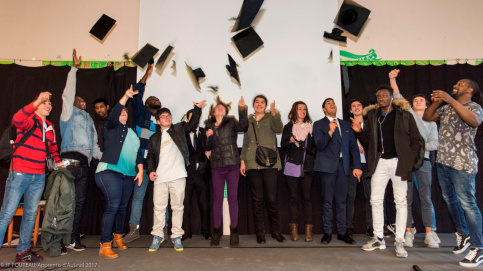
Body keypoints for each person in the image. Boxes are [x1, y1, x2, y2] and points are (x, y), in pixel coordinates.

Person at [352, 85, 424, 258]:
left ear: (392, 97)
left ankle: (399, 241)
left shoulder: (404, 115)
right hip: (380, 163)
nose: (381, 99)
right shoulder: (372, 116)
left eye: (384, 96)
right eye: (378, 97)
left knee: (401, 201)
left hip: (399, 163)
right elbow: (368, 143)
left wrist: (409, 159)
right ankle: (378, 238)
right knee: (375, 200)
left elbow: (417, 140)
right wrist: (360, 132)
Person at [423, 79, 483, 267]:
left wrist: (450, 99)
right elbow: (428, 117)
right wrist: (437, 101)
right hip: (443, 162)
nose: (456, 85)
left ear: (470, 89)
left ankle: (478, 247)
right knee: (450, 200)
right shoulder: (447, 107)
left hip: (463, 163)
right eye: (455, 84)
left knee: (468, 204)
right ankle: (463, 234)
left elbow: (474, 121)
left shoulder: (474, 107)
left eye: (460, 84)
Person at [0, 92, 63, 262]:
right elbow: (17, 119)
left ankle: (23, 251)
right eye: (44, 102)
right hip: (20, 173)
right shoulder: (28, 120)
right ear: (35, 105)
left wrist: (59, 163)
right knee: (7, 213)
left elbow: (53, 150)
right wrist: (36, 101)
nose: (48, 105)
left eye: (49, 102)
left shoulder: (49, 126)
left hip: (38, 176)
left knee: (30, 213)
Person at [389, 69, 440, 248]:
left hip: (424, 162)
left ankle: (429, 233)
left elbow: (435, 143)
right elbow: (397, 95)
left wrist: (420, 146)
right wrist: (392, 79)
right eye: (415, 100)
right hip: (407, 162)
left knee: (426, 198)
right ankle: (408, 232)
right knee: (406, 198)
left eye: (421, 101)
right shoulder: (408, 114)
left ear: (427, 105)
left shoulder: (431, 123)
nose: (418, 102)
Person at [147, 99, 206, 252]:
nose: (167, 118)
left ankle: (176, 236)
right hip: (160, 178)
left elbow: (192, 125)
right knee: (159, 208)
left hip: (178, 175)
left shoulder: (179, 129)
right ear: (158, 121)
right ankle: (158, 236)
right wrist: (150, 171)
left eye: (169, 115)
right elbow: (150, 158)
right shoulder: (154, 138)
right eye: (163, 116)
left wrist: (197, 109)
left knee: (178, 207)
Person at [59, 49, 102, 251]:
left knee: (79, 204)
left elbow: (94, 148)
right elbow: (67, 95)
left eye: (84, 101)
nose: (82, 101)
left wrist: (108, 161)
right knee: (64, 202)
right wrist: (73, 70)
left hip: (84, 166)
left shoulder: (89, 120)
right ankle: (58, 239)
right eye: (79, 99)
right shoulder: (69, 114)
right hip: (68, 161)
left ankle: (73, 238)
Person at [95, 85, 143, 259]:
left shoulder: (133, 133)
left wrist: (141, 170)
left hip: (128, 175)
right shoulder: (112, 126)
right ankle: (105, 244)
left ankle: (118, 237)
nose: (123, 113)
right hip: (109, 171)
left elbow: (138, 154)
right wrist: (125, 96)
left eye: (125, 112)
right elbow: (114, 113)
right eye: (121, 111)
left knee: (122, 207)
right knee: (113, 205)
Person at [313, 98, 362, 245]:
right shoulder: (319, 124)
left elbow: (353, 147)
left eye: (333, 102)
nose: (332, 104)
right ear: (323, 109)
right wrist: (330, 131)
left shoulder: (346, 124)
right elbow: (319, 145)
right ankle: (327, 233)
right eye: (328, 103)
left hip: (344, 167)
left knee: (342, 201)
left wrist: (357, 167)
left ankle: (342, 232)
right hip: (327, 168)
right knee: (327, 201)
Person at [240, 95, 286, 244]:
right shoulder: (248, 120)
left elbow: (279, 129)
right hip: (252, 163)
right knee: (257, 200)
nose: (259, 104)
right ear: (253, 105)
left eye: (262, 102)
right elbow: (246, 142)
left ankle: (276, 231)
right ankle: (260, 233)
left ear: (266, 105)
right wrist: (242, 161)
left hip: (269, 163)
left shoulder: (272, 116)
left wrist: (274, 113)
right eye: (257, 102)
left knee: (272, 199)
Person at [123, 64, 161, 244]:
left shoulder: (163, 119)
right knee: (138, 197)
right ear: (146, 103)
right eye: (152, 97)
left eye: (157, 98)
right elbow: (138, 91)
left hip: (160, 165)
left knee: (161, 198)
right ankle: (134, 229)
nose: (155, 98)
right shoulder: (141, 114)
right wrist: (146, 75)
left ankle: (163, 230)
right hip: (143, 164)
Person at [203, 96, 248, 247]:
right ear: (213, 112)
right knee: (217, 200)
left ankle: (234, 233)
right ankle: (216, 232)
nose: (220, 108)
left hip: (232, 166)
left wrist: (242, 110)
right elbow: (206, 148)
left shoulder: (231, 122)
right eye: (217, 108)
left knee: (233, 199)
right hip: (216, 167)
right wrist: (208, 138)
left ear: (226, 111)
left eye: (222, 107)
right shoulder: (208, 125)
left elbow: (244, 127)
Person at [281, 101, 316, 242]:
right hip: (292, 167)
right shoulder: (288, 127)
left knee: (307, 199)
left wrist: (302, 146)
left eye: (304, 109)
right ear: (294, 111)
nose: (302, 111)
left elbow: (314, 150)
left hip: (307, 168)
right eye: (299, 109)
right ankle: (293, 230)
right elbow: (283, 146)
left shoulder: (311, 128)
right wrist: (290, 141)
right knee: (293, 198)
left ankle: (308, 231)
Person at [181, 108, 211, 241]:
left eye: (197, 119)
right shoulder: (182, 134)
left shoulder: (206, 132)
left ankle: (206, 231)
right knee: (185, 205)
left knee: (204, 205)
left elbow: (212, 148)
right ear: (188, 120)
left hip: (202, 174)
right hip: (186, 175)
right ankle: (186, 232)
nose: (195, 121)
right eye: (192, 119)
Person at [346, 99, 373, 238]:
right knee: (350, 197)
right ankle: (349, 227)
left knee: (371, 197)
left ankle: (371, 227)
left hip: (369, 165)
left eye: (359, 105)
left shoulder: (370, 125)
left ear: (363, 108)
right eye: (353, 106)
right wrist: (355, 148)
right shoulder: (346, 127)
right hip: (352, 165)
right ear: (350, 110)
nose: (356, 108)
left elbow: (374, 144)